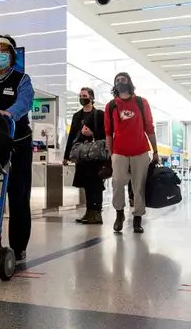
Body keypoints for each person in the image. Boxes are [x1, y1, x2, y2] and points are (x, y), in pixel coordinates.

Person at [0, 35, 35, 260]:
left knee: (18, 195)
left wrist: (8, 114)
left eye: (3, 50)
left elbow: (24, 102)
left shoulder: (22, 79)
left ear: (11, 55)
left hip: (17, 143)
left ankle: (19, 245)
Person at [104, 72, 158, 234]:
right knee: (118, 182)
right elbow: (108, 131)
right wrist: (110, 152)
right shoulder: (111, 105)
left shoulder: (141, 102)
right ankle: (119, 213)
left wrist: (155, 151)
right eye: (117, 80)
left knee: (139, 186)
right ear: (115, 85)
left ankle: (137, 218)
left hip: (140, 151)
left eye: (123, 79)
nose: (121, 82)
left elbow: (149, 127)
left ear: (129, 82)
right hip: (119, 151)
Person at [63, 87, 107, 225]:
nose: (82, 98)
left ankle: (97, 213)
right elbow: (72, 136)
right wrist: (66, 155)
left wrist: (92, 134)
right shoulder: (77, 116)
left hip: (96, 156)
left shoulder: (100, 114)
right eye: (80, 95)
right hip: (82, 156)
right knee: (87, 185)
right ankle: (89, 212)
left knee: (96, 184)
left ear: (91, 97)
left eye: (85, 95)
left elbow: (106, 136)